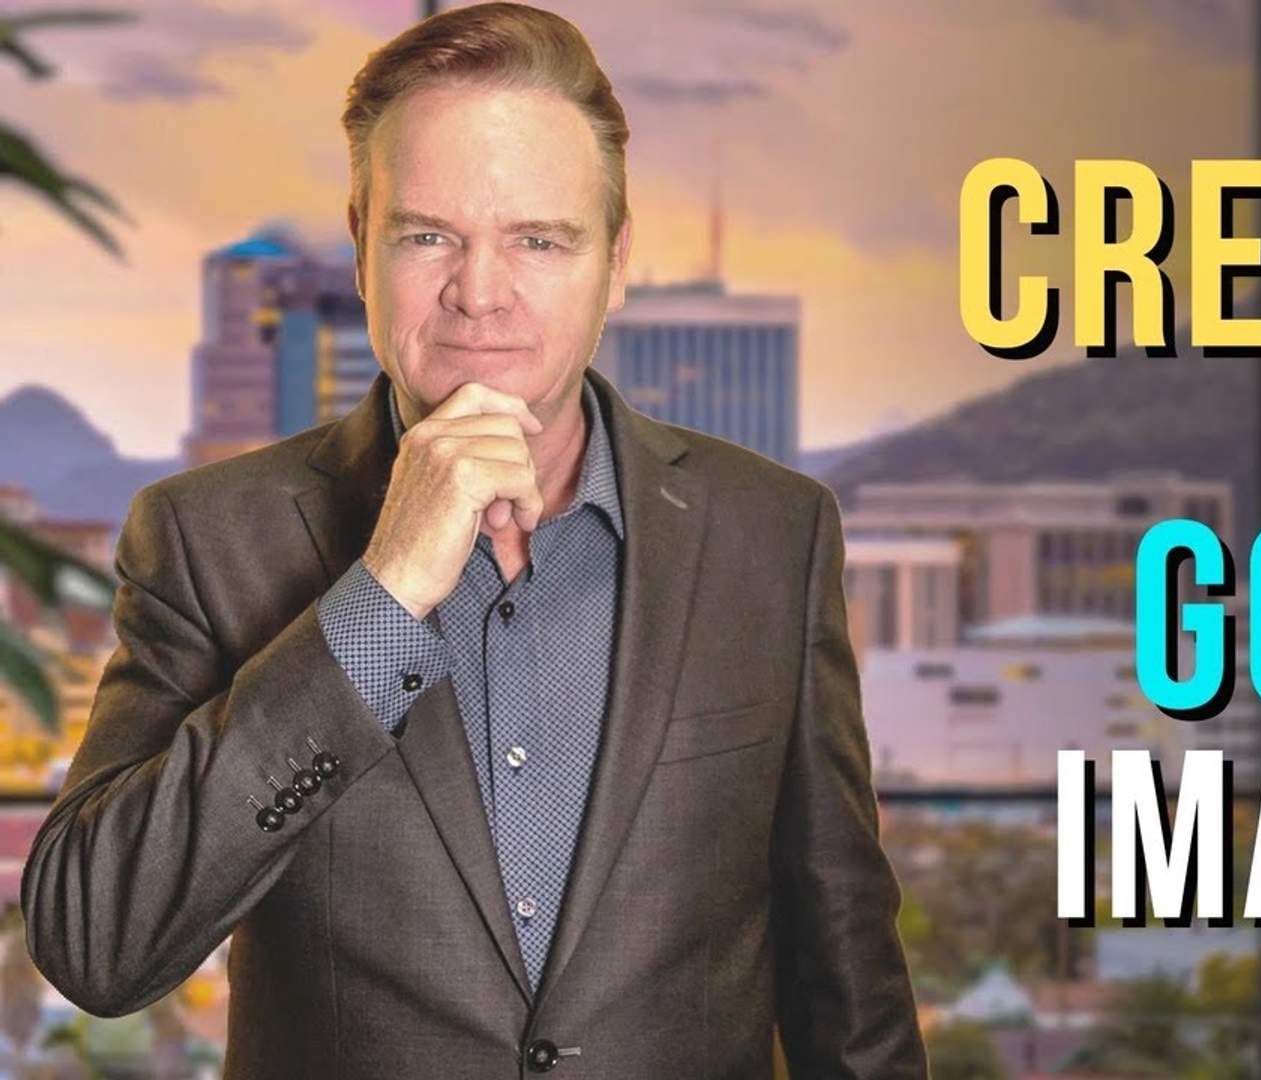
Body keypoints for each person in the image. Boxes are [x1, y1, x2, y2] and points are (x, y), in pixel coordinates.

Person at [19, 4, 927, 1076]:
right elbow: (95, 944)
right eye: (428, 236)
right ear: (361, 246)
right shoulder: (208, 539)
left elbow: (849, 990)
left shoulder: (771, 536)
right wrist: (384, 591)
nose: (479, 293)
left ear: (615, 261)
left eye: (538, 240)